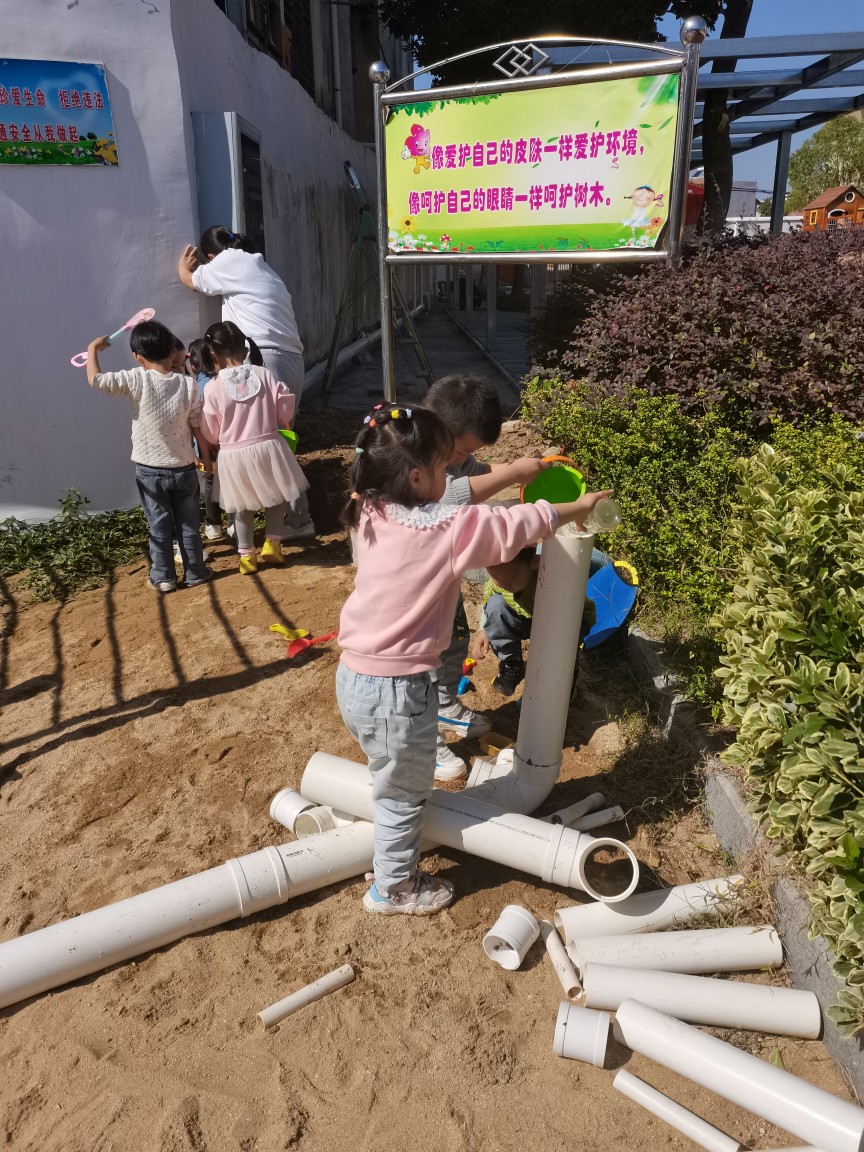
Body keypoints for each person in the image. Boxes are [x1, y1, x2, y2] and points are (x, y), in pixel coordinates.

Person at [336, 403, 612, 916]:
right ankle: (393, 888)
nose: (451, 478)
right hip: (399, 691)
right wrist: (577, 506)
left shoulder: (372, 506)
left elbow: (454, 499)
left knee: (393, 778)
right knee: (403, 795)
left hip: (355, 677)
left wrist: (517, 472)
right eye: (444, 467)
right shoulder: (445, 531)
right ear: (416, 477)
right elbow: (512, 524)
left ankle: (393, 839)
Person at [424, 373, 549, 780]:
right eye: (463, 449)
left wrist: (525, 469)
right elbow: (449, 495)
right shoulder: (413, 458)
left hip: (442, 577)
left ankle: (445, 704)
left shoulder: (450, 452)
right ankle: (423, 744)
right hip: (412, 588)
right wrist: (513, 474)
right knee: (420, 663)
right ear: (440, 429)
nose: (466, 458)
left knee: (451, 644)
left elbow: (475, 471)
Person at [177, 226, 315, 539]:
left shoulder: (228, 261)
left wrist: (183, 267)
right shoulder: (261, 265)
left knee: (246, 439)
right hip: (291, 357)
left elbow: (191, 281)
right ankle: (296, 520)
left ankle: (263, 522)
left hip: (264, 356)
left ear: (210, 256)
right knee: (278, 442)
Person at [85, 320, 210, 593]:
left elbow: (96, 380)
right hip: (185, 468)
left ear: (138, 357)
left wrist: (93, 348)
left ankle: (163, 578)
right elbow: (196, 425)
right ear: (172, 352)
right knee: (189, 525)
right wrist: (206, 457)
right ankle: (196, 573)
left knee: (159, 526)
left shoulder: (136, 378)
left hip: (150, 471)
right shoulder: (189, 384)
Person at [198, 321, 308, 574]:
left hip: (233, 455)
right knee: (277, 498)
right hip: (269, 447)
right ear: (245, 348)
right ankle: (273, 544)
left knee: (241, 507)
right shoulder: (264, 374)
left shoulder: (213, 387)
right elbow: (284, 413)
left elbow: (211, 433)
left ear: (212, 353)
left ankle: (247, 556)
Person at [471, 546, 610, 696]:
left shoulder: (550, 581)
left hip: (565, 622)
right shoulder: (502, 577)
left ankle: (565, 682)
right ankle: (512, 664)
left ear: (535, 562)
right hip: (530, 619)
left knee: (558, 655)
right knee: (495, 604)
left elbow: (578, 614)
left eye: (512, 577)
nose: (504, 584)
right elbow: (490, 597)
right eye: (494, 577)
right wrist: (484, 629)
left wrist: (566, 640)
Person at [187, 338, 223, 541]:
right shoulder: (221, 382)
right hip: (226, 442)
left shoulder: (194, 387)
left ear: (192, 364)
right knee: (231, 482)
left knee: (210, 482)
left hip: (203, 446)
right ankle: (234, 524)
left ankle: (213, 524)